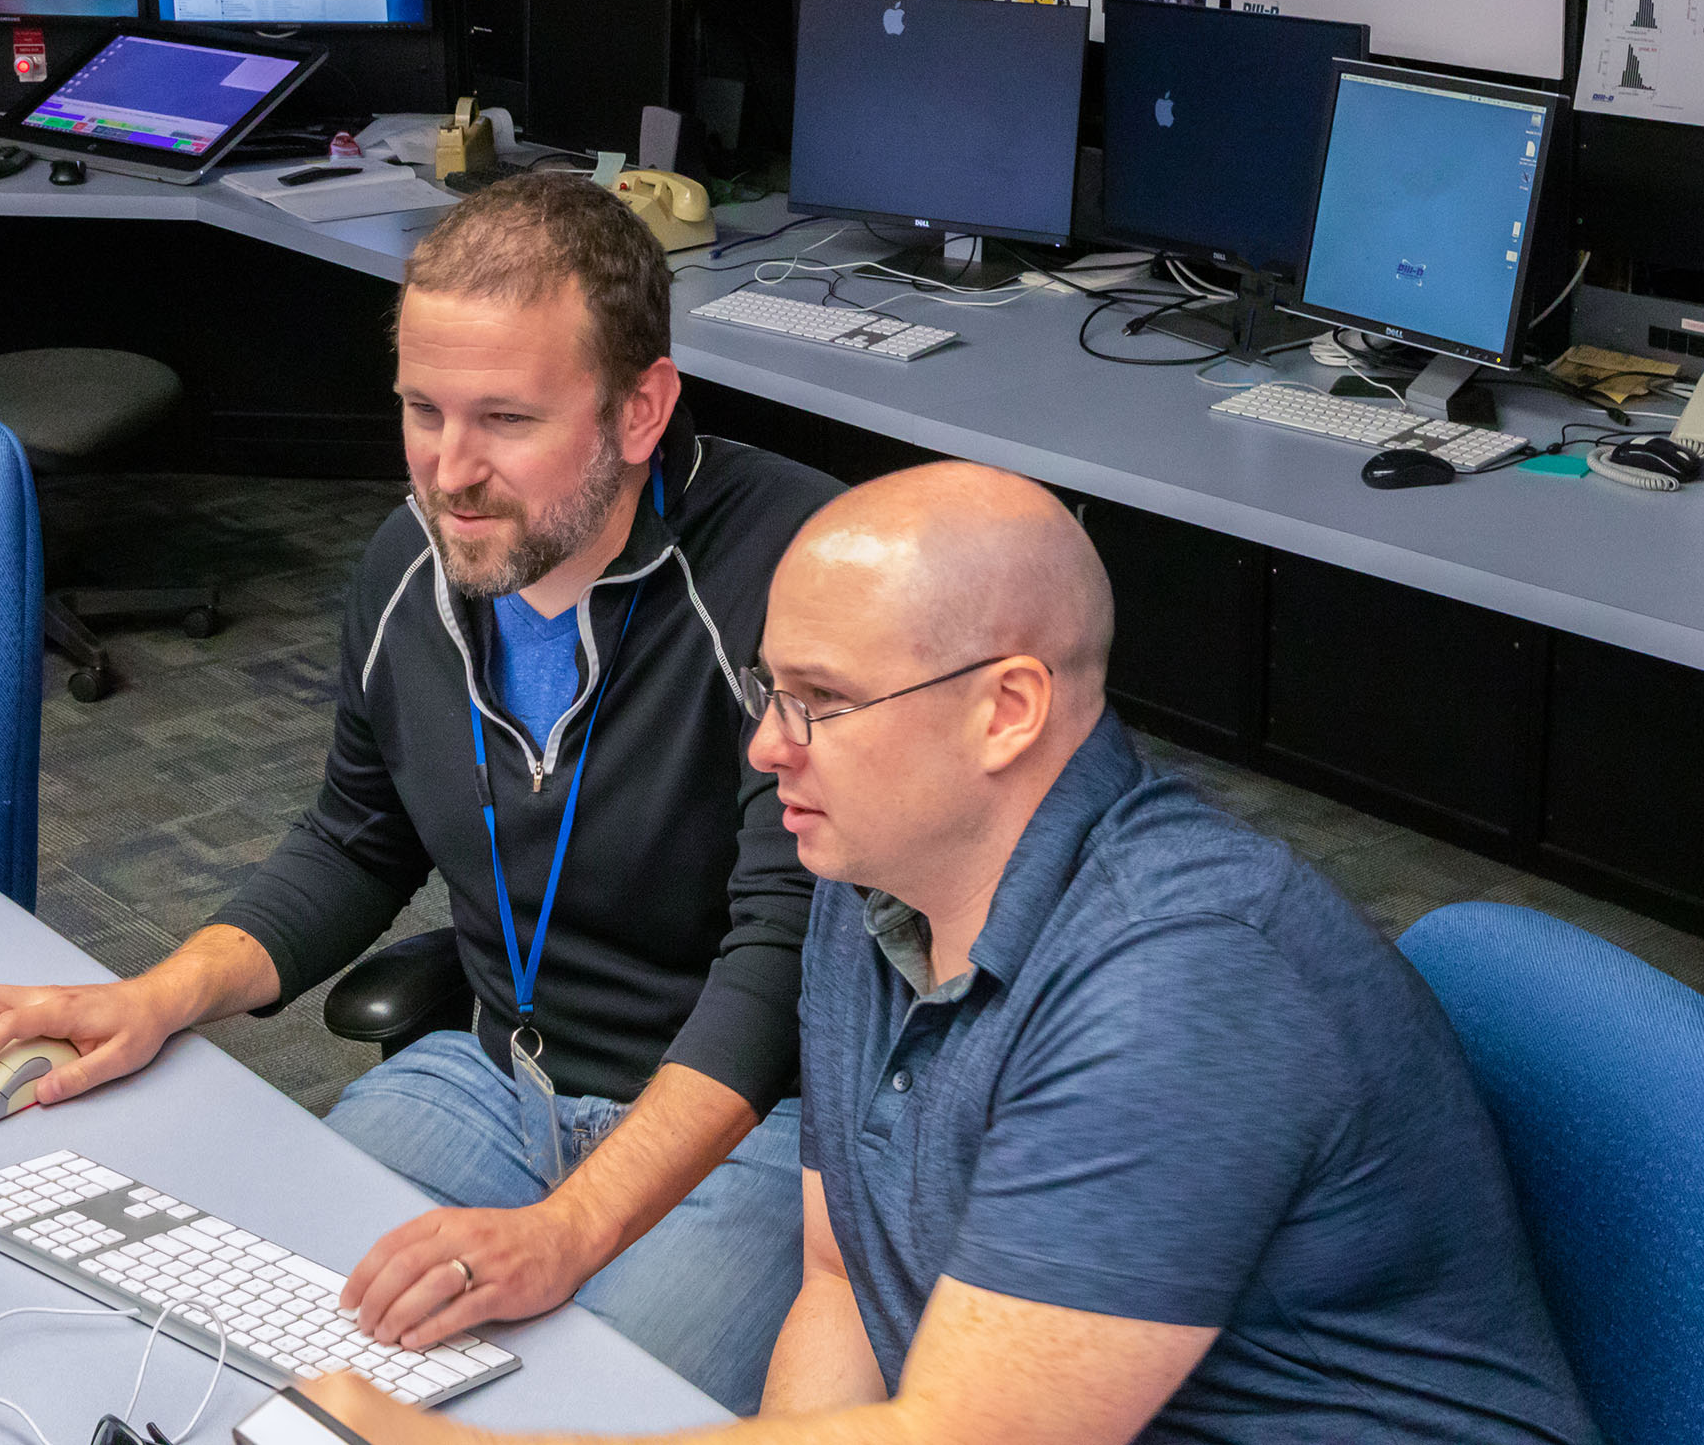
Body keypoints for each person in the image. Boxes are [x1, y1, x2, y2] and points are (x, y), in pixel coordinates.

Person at [291, 463, 1595, 1443]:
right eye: (769, 692)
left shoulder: (1183, 988)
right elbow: (845, 1279)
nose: (766, 747)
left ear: (1007, 710)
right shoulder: (877, 888)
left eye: (823, 704)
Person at [0, 174, 842, 1413]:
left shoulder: (799, 581)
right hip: (493, 1074)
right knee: (240, 1348)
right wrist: (157, 998)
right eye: (423, 410)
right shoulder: (413, 566)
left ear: (642, 410)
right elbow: (358, 838)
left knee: (571, 1412)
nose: (448, 474)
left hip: (754, 1125)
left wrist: (572, 1228)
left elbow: (782, 968)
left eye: (506, 421)